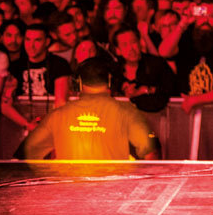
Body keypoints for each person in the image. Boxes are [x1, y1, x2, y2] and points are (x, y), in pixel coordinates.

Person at [20, 59, 160, 160]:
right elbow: (151, 152)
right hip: (113, 193)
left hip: (67, 194)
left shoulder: (58, 115)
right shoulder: (127, 112)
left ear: (78, 84)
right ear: (110, 81)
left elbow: (30, 151)